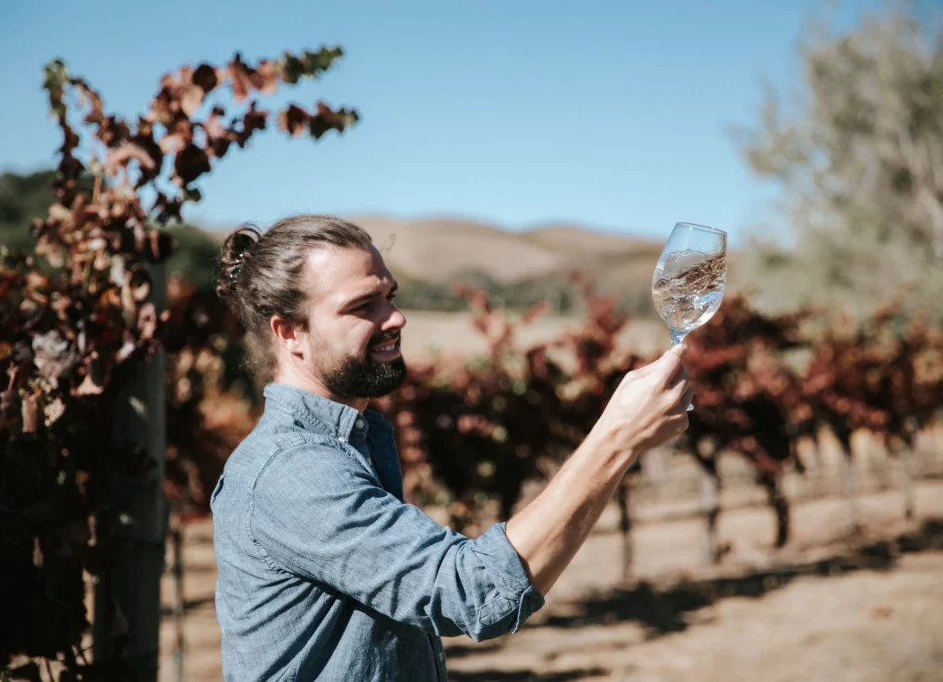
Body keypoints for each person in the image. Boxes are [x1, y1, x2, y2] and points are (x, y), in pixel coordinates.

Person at [211, 215, 692, 682]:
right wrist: (616, 437)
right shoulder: (293, 471)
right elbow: (475, 592)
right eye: (363, 306)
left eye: (390, 296)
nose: (395, 317)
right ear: (288, 332)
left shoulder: (348, 444)